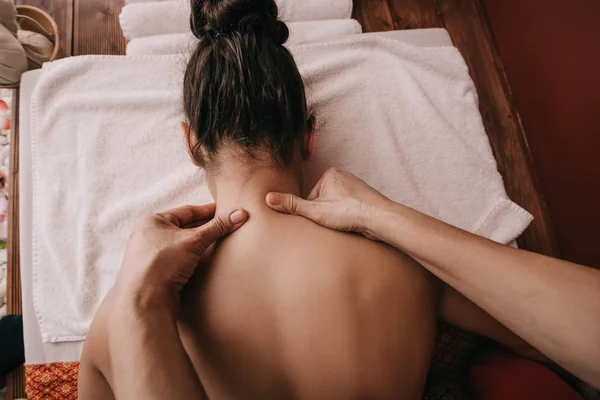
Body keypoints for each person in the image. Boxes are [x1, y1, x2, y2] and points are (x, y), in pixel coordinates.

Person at [79, 0, 545, 398]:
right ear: (308, 136)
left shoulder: (128, 315)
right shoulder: (409, 259)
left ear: (192, 144)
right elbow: (538, 334)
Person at [266, 167, 600, 389]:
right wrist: (374, 215)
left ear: (208, 155)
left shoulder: (211, 289)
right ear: (309, 136)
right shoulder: (401, 264)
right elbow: (529, 341)